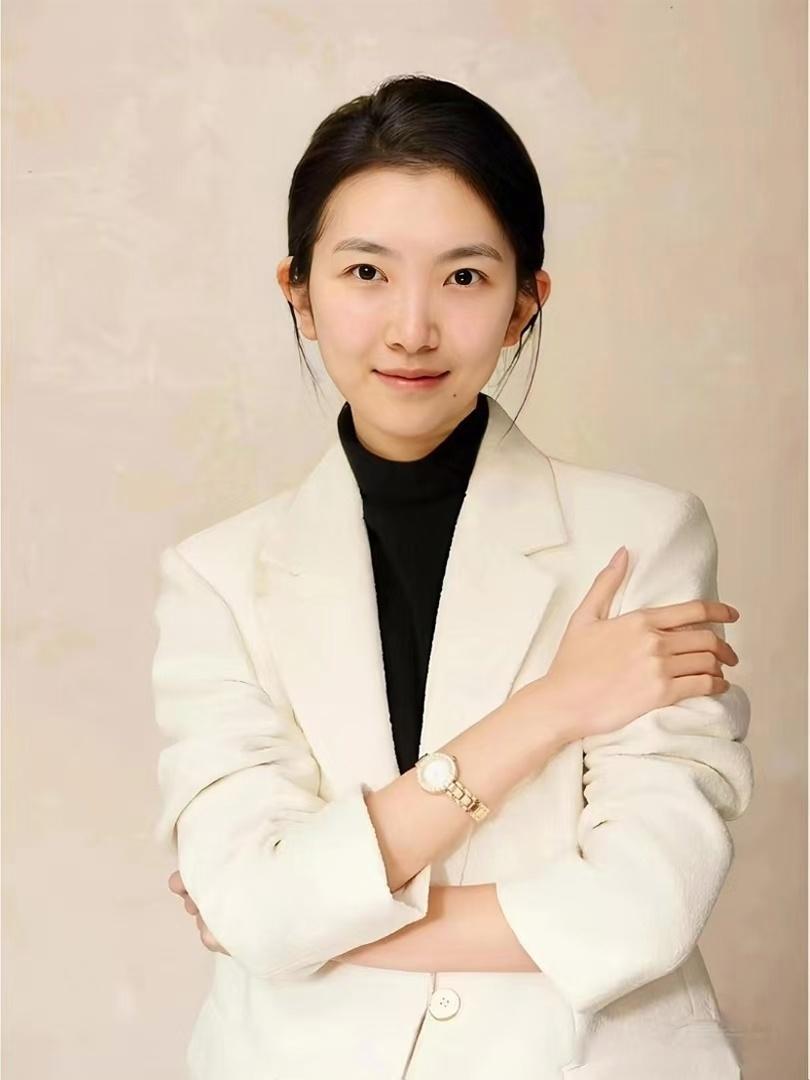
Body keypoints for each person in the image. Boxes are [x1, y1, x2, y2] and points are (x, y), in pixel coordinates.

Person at [152, 74, 753, 1080]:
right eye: (365, 272)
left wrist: (301, 924)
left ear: (525, 303)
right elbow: (252, 906)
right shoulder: (214, 578)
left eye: (465, 277)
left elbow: (645, 908)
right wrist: (555, 707)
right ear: (299, 292)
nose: (412, 328)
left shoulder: (643, 539)